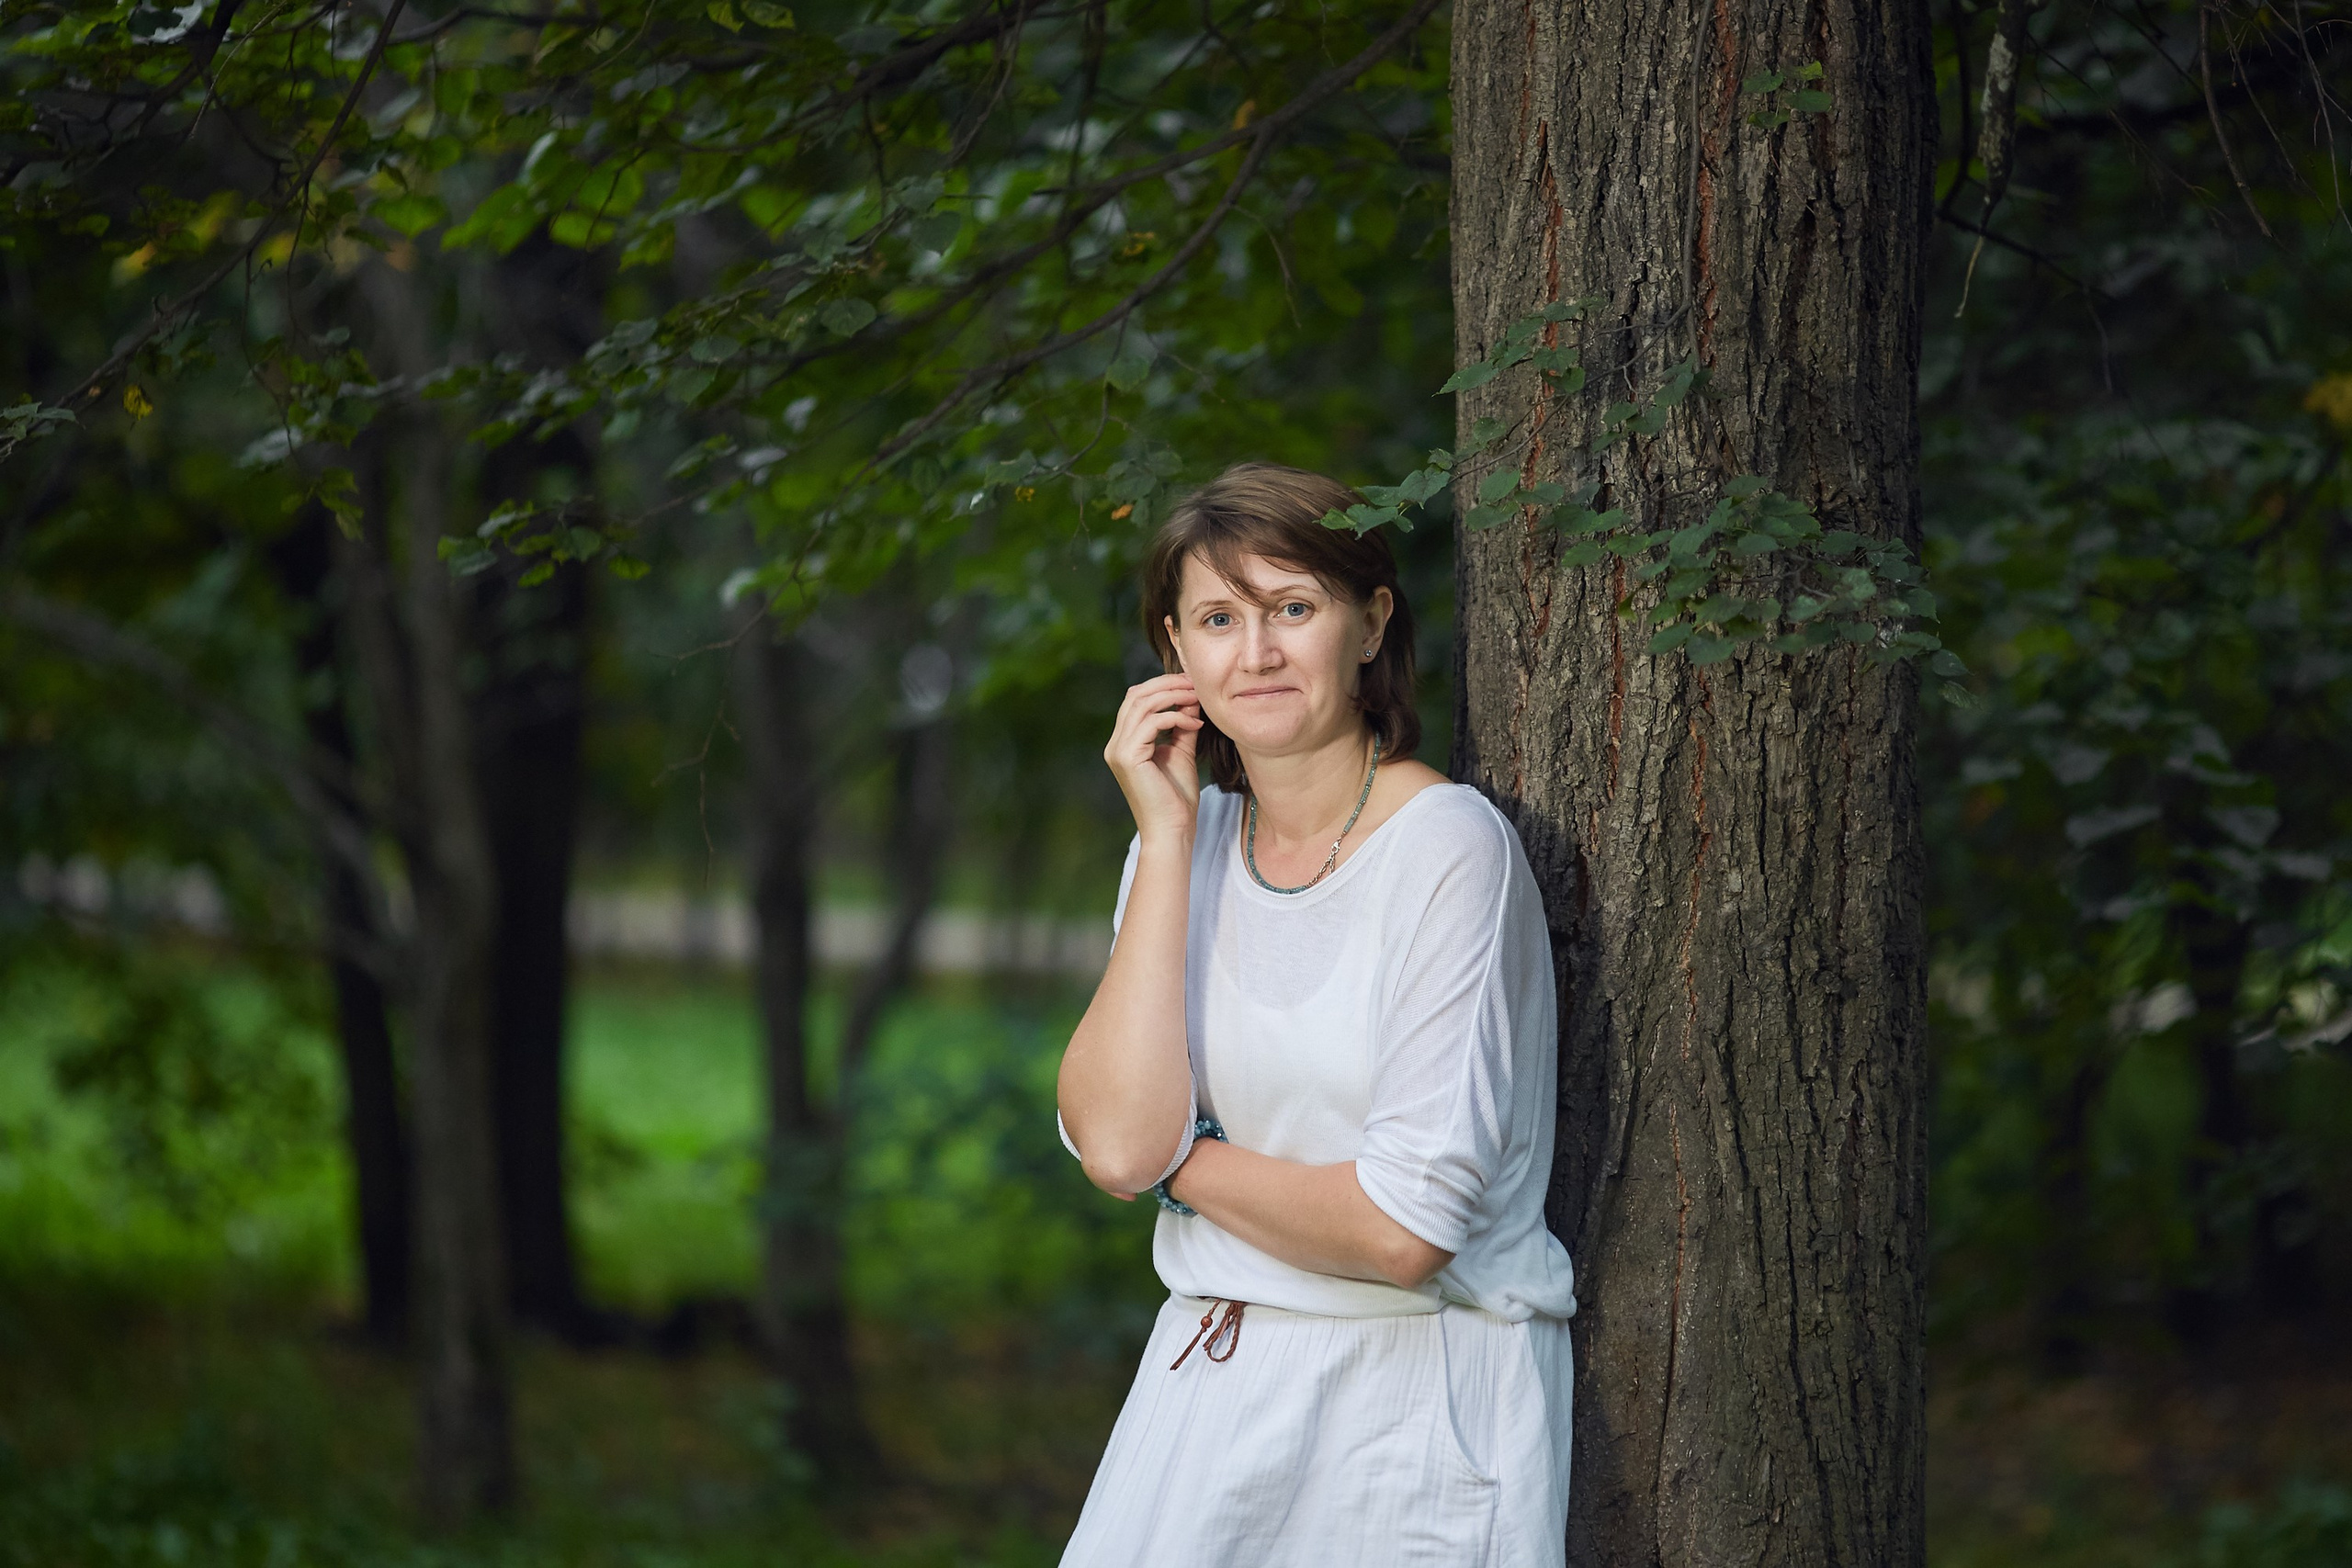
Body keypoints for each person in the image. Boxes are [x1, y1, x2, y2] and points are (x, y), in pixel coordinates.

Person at [1053, 463, 1578, 1567]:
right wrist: (1163, 837)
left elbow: (1402, 1231)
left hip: (1411, 1407)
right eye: (1217, 619)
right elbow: (1107, 1135)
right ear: (1174, 652)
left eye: (1293, 608)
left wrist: (1172, 1162)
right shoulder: (1179, 853)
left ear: (1370, 622)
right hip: (1203, 1385)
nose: (1256, 653)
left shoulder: (1447, 848)